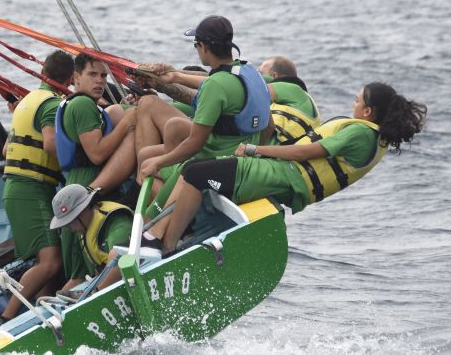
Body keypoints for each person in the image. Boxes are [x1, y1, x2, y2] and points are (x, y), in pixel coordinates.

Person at [147, 82, 427, 255]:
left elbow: (308, 151)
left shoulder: (362, 134)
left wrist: (256, 150)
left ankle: (167, 246)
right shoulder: (375, 138)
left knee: (196, 174)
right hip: (286, 176)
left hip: (288, 177)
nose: (353, 103)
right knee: (197, 169)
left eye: (357, 100)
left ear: (368, 112)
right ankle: (165, 236)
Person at [134, 16, 271, 216]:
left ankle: (166, 217)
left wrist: (159, 162)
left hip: (212, 159)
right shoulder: (247, 72)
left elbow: (195, 144)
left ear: (204, 47)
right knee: (152, 148)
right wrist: (176, 76)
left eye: (196, 45)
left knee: (146, 165)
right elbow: (269, 126)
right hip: (241, 156)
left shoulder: (214, 86)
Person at [0, 50, 75, 327]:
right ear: (71, 79)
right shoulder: (51, 104)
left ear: (44, 74)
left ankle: (39, 317)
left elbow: (5, 149)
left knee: (46, 265)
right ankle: (5, 319)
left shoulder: (27, 100)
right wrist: (78, 163)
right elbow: (51, 145)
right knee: (51, 262)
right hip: (32, 189)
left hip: (15, 186)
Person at [55, 52, 138, 286]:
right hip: (86, 186)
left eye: (103, 75)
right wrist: (127, 126)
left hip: (77, 182)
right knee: (78, 277)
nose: (100, 80)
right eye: (92, 74)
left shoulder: (79, 104)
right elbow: (97, 153)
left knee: (80, 274)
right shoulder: (82, 104)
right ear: (76, 77)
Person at [49, 184, 134, 291]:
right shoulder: (86, 226)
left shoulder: (118, 223)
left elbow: (121, 262)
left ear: (84, 210)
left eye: (70, 222)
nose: (69, 229)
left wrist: (96, 292)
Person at [259, 56, 320, 144]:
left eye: (261, 73)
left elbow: (256, 94)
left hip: (277, 155)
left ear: (274, 75)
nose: (259, 76)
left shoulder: (294, 90)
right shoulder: (295, 97)